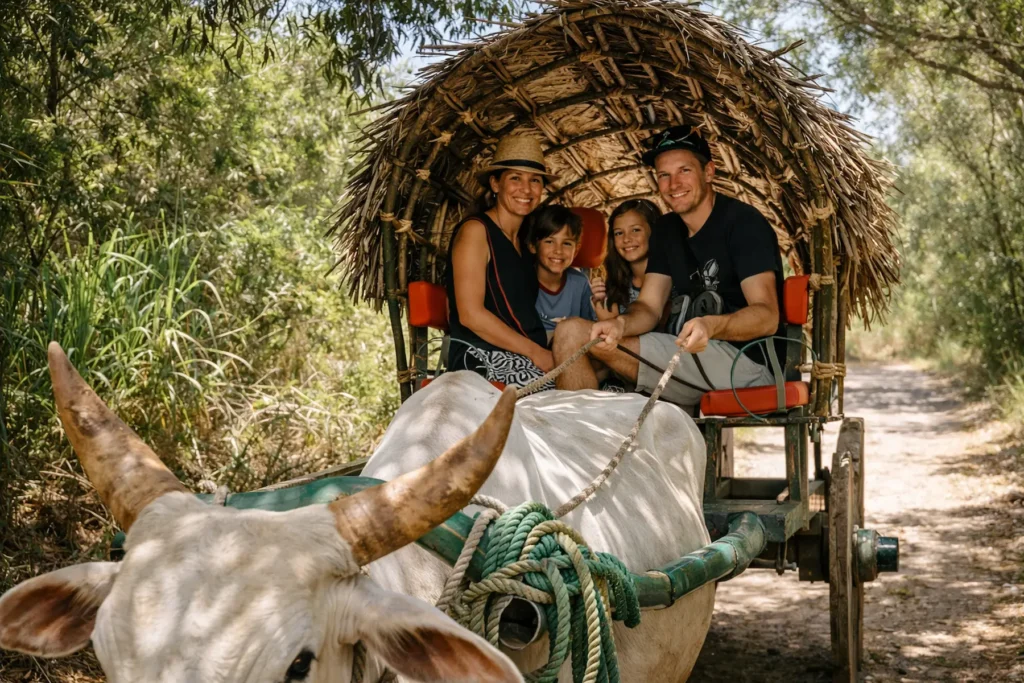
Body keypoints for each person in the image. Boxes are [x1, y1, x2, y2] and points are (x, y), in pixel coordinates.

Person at [551, 125, 783, 410]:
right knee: (569, 333)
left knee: (576, 337)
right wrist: (620, 324)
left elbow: (767, 316)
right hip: (680, 353)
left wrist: (711, 325)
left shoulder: (743, 224)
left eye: (684, 171)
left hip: (746, 362)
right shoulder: (667, 229)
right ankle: (589, 444)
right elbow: (648, 307)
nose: (674, 184)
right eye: (664, 175)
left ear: (708, 172)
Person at [445, 135, 556, 388]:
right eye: (515, 178)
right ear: (495, 184)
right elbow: (470, 315)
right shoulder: (476, 231)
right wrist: (536, 352)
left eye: (535, 180)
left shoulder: (525, 243)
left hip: (527, 353)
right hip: (482, 357)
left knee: (607, 384)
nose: (526, 189)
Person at [524, 205, 598, 340]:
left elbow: (589, 328)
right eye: (549, 241)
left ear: (576, 250)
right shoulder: (523, 280)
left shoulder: (580, 283)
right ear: (533, 246)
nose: (558, 250)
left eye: (567, 243)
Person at [590, 198, 663, 318]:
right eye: (619, 233)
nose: (626, 239)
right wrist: (600, 304)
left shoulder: (672, 281)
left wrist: (614, 323)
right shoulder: (614, 286)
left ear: (654, 231)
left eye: (635, 230)